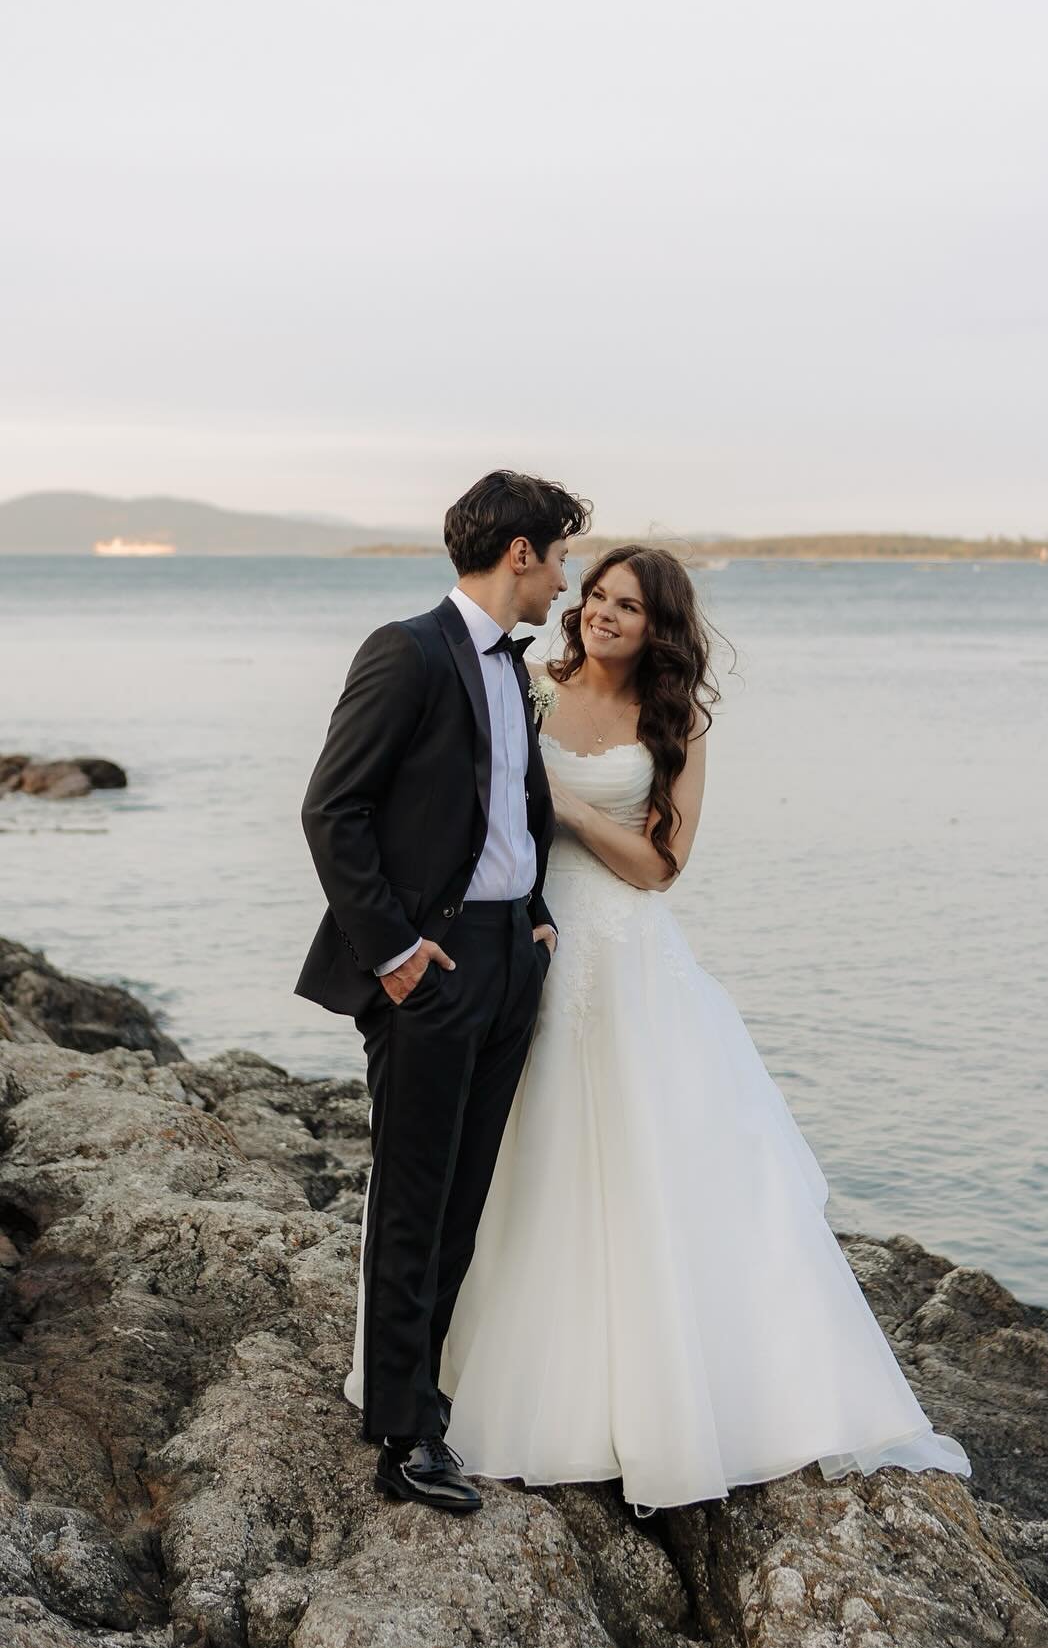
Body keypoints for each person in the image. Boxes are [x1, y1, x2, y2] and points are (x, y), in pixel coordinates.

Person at [346, 543, 971, 1513]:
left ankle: (629, 1397)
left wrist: (564, 808)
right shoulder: (530, 687)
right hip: (519, 937)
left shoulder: (677, 722)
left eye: (627, 605)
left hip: (620, 951)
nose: (601, 611)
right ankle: (440, 1371)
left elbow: (660, 866)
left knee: (631, 1162)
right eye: (596, 593)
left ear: (658, 627)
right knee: (493, 1168)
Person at [297, 469, 591, 1511]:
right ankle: (402, 1434)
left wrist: (535, 913)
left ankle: (429, 1393)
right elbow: (333, 809)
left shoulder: (513, 669)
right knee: (414, 1198)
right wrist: (395, 952)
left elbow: (510, 809)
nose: (565, 581)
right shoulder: (408, 651)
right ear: (520, 553)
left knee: (466, 1197)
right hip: (433, 964)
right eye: (560, 558)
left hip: (510, 957)